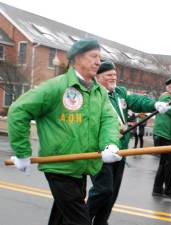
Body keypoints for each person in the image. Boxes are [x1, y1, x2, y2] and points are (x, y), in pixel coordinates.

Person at [7, 38, 122, 225]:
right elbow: (19, 111)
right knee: (80, 221)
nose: (98, 62)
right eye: (93, 56)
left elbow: (108, 120)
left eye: (99, 57)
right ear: (77, 58)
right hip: (59, 167)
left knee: (61, 218)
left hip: (82, 166)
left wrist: (109, 144)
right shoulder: (56, 87)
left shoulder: (99, 92)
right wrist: (22, 152)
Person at [87, 60, 170, 225]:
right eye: (109, 75)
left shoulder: (120, 93)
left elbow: (137, 101)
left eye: (115, 75)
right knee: (103, 190)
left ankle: (101, 222)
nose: (113, 78)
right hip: (100, 151)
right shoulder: (92, 94)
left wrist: (154, 104)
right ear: (97, 77)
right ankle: (82, 220)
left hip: (121, 150)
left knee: (113, 193)